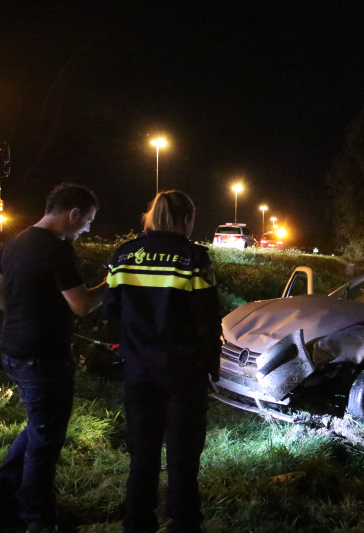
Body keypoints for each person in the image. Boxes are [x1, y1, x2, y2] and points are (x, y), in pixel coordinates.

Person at [103, 191, 221, 533]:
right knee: (183, 456)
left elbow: (110, 309)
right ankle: (183, 523)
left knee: (142, 453)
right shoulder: (193, 257)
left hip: (138, 369)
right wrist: (211, 363)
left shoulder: (124, 254)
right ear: (186, 219)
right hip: (184, 371)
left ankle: (137, 522)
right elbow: (207, 318)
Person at [0, 183, 107, 532]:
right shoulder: (56, 249)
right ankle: (37, 518)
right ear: (73, 214)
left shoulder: (15, 242)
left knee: (38, 427)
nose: (86, 229)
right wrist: (113, 282)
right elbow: (82, 305)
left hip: (13, 349)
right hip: (44, 356)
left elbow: (2, 295)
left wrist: (28, 310)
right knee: (45, 442)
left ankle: (4, 497)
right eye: (87, 221)